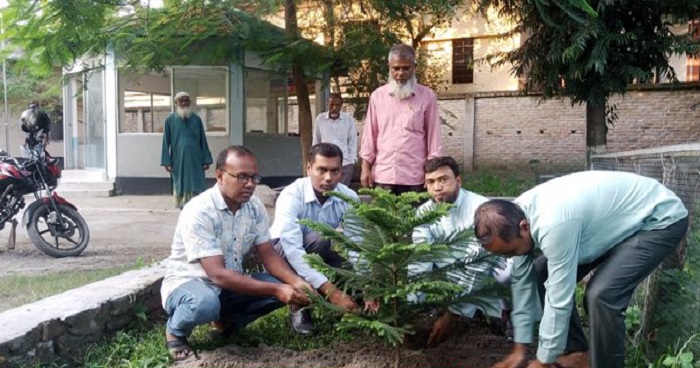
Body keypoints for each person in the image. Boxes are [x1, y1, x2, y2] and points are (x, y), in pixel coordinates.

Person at [473, 171, 689, 368]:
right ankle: (577, 355)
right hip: (616, 222)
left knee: (602, 294)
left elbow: (559, 297)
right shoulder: (512, 215)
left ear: (524, 227)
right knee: (540, 271)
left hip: (657, 219)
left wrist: (543, 360)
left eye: (511, 251)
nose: (510, 258)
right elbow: (522, 285)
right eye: (504, 255)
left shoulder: (553, 224)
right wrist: (519, 348)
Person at [160, 146, 313, 362]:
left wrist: (296, 282)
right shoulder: (200, 210)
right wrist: (279, 289)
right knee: (205, 303)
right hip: (190, 283)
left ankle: (225, 321)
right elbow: (217, 275)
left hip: (229, 284)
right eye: (241, 177)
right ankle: (175, 332)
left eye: (253, 177)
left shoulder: (254, 207)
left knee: (283, 287)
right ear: (220, 175)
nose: (250, 184)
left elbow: (268, 255)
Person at [411, 156, 513, 346]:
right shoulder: (424, 213)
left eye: (443, 179)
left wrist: (454, 314)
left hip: (487, 269)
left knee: (507, 273)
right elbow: (420, 259)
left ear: (458, 181)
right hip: (448, 271)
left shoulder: (481, 209)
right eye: (431, 182)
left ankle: (508, 319)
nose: (437, 187)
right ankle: (434, 312)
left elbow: (478, 262)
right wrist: (413, 305)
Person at [270, 143, 360, 335]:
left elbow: (357, 245)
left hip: (317, 250)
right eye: (322, 170)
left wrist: (367, 284)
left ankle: (341, 308)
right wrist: (331, 290)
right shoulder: (291, 195)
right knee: (320, 238)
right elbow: (293, 249)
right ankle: (300, 307)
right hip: (280, 253)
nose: (328, 178)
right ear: (309, 168)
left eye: (335, 171)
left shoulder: (348, 197)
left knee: (347, 271)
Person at [359, 43, 443, 195]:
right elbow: (370, 136)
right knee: (383, 219)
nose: (400, 73)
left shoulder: (427, 96)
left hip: (415, 177)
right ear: (389, 67)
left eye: (406, 68)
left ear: (414, 67)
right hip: (383, 176)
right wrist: (365, 168)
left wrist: (432, 174)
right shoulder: (377, 96)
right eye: (396, 68)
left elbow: (434, 139)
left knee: (417, 219)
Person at [161, 91, 213, 209]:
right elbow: (166, 141)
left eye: (186, 100)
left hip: (196, 159)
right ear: (176, 103)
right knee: (180, 183)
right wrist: (166, 161)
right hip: (178, 159)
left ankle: (197, 206)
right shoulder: (170, 120)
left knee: (197, 182)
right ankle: (182, 207)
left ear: (190, 102)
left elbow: (202, 140)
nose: (184, 103)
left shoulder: (196, 119)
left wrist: (206, 159)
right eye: (181, 101)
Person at [312, 93, 358, 187]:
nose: (334, 107)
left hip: (344, 163)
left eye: (337, 105)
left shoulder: (348, 120)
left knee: (343, 192)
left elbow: (352, 141)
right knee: (327, 191)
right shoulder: (320, 119)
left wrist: (351, 161)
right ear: (327, 105)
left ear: (341, 106)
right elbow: (316, 140)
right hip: (325, 162)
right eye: (331, 105)